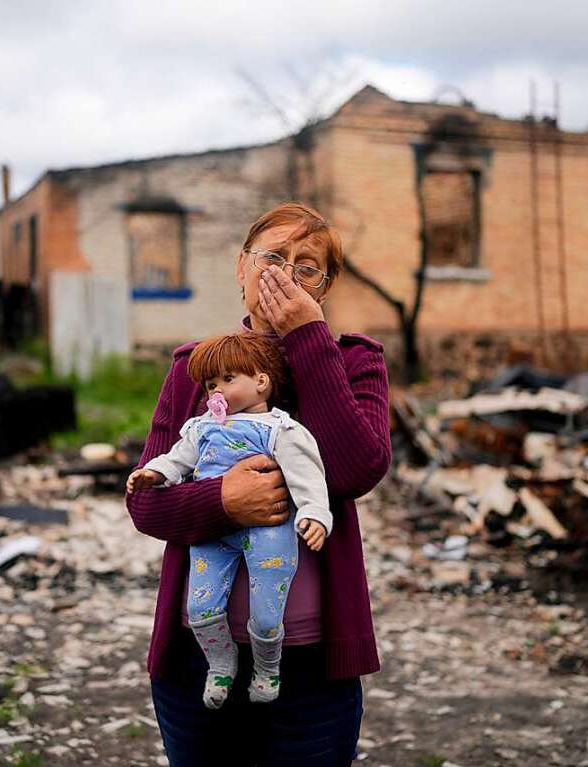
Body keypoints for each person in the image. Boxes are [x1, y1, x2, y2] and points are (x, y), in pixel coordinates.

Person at [126, 201, 391, 766]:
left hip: (311, 669)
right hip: (198, 661)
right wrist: (224, 500)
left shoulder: (354, 363)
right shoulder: (196, 368)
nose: (286, 275)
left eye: (306, 266)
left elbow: (355, 470)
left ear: (325, 286)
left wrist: (307, 338)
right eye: (272, 258)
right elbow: (146, 504)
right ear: (240, 269)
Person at [126, 331, 332, 709]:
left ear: (261, 381)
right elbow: (177, 459)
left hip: (269, 529)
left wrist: (315, 515)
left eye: (228, 379)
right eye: (210, 384)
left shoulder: (281, 430)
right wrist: (152, 474)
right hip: (214, 530)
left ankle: (268, 667)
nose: (215, 391)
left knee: (268, 611)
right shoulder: (200, 427)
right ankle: (221, 664)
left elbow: (307, 476)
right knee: (200, 606)